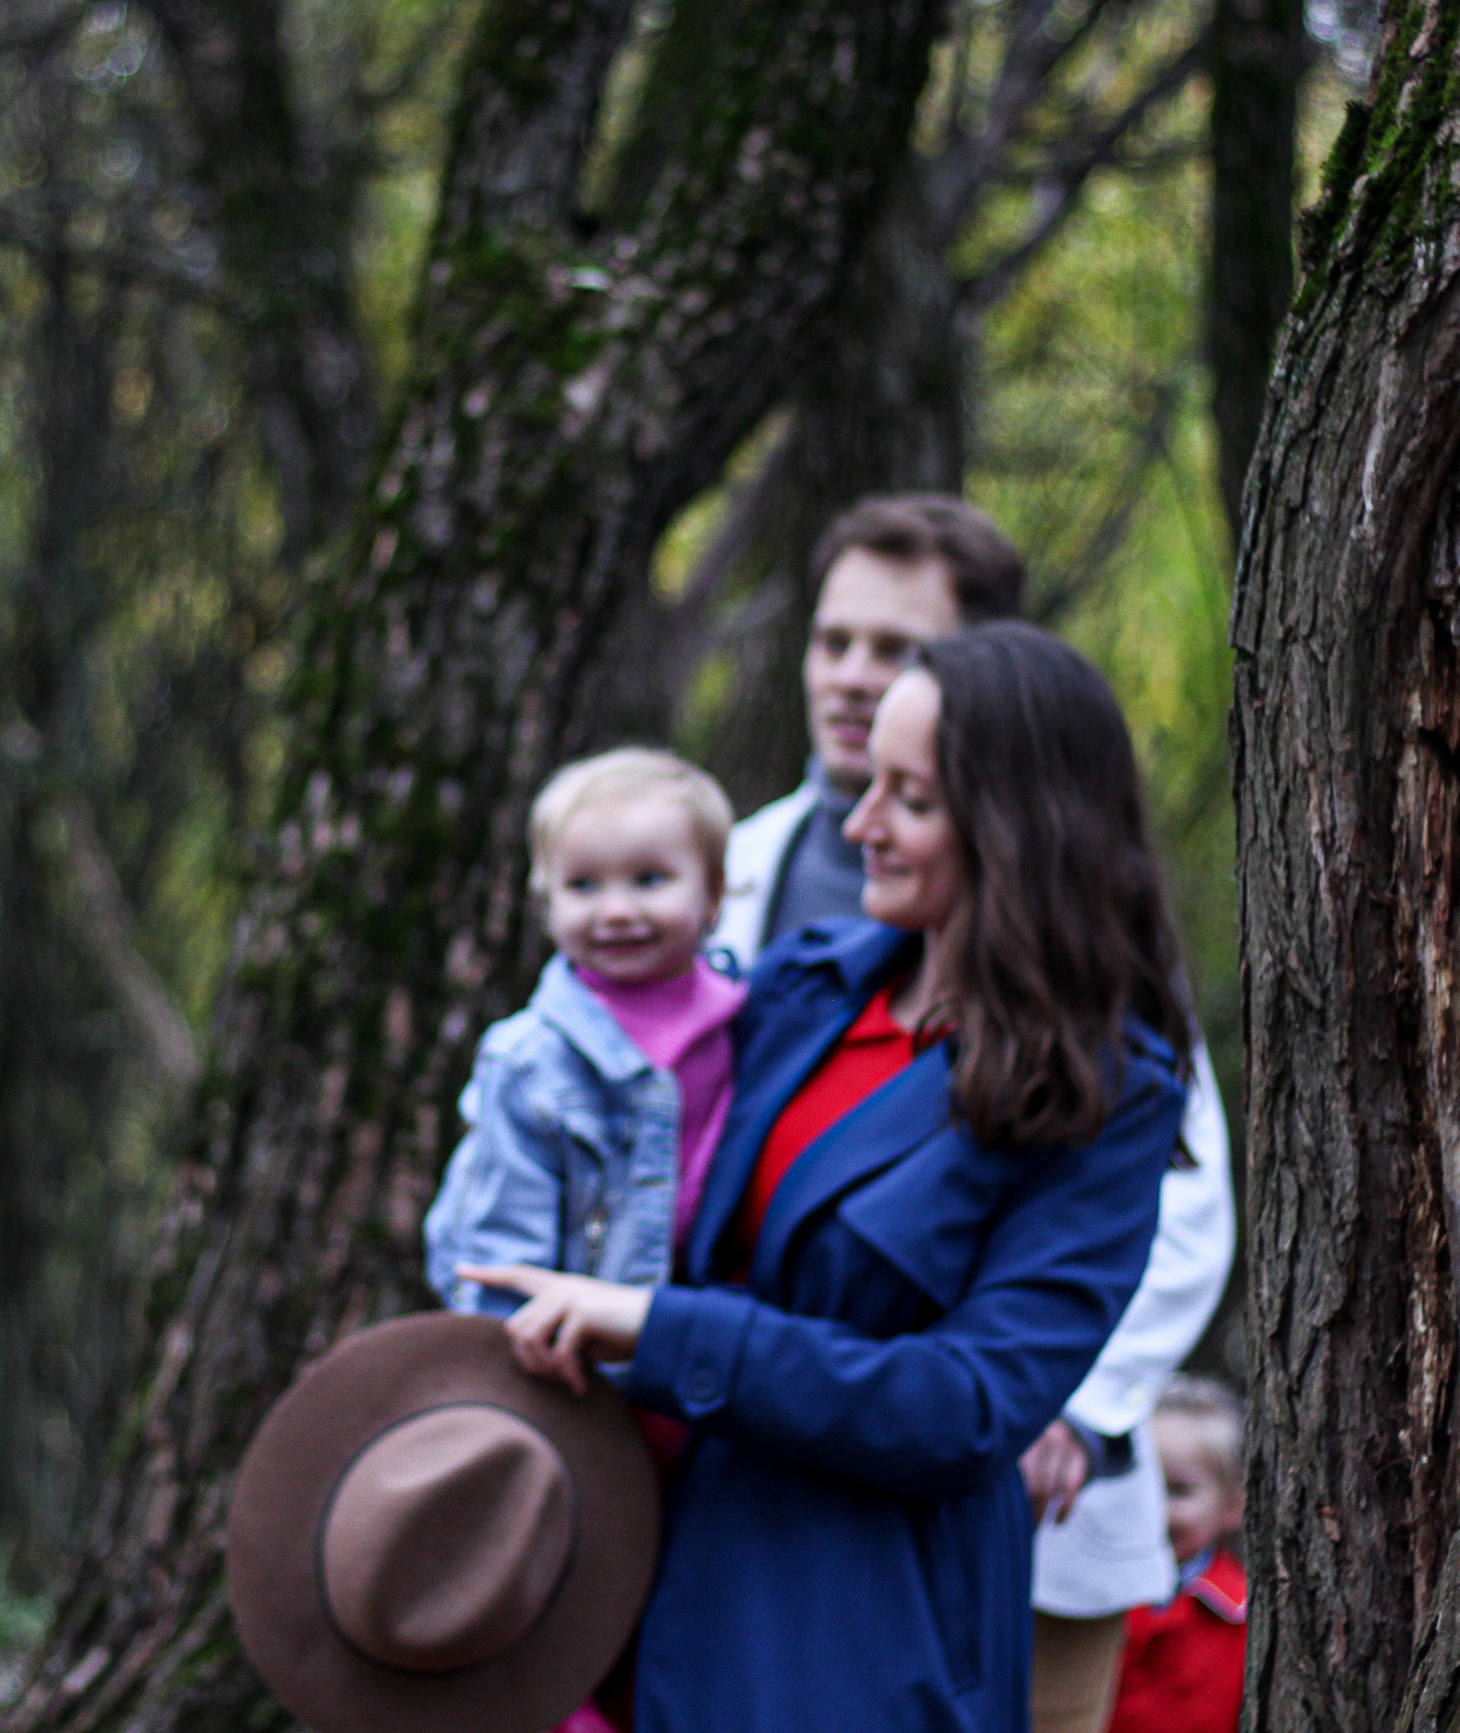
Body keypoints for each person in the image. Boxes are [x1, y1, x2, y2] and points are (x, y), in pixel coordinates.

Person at [463, 622, 1191, 1733]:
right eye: (868, 785)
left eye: (910, 799)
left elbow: (968, 1406)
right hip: (654, 1567)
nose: (860, 825)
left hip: (861, 1630)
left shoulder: (1106, 1089)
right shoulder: (800, 987)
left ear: (1015, 827)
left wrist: (663, 1329)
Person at [710, 493, 1235, 1733]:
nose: (853, 675)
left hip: (1016, 1502)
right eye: (833, 639)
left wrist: (1062, 1398)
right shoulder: (733, 871)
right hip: (763, 1510)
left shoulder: (1087, 970)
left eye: (894, 647)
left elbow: (1172, 1196)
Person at [423, 746, 746, 1319]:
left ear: (714, 893)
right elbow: (500, 1242)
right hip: (569, 1344)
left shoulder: (752, 1022)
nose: (616, 911)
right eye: (583, 885)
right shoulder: (529, 1060)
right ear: (545, 901)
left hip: (704, 1335)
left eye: (649, 880)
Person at [1102, 1378, 1248, 1733]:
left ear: (1232, 1504)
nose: (1153, 1509)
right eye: (1142, 1485)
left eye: (1178, 1490)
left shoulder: (1243, 1617)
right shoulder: (1090, 1592)